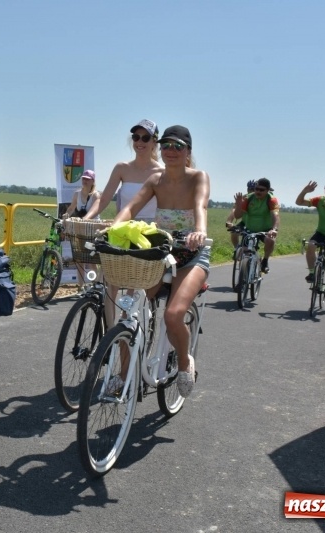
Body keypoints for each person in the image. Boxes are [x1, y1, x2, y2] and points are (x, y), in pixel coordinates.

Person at [111, 125, 210, 399]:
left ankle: (184, 363)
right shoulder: (156, 180)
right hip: (163, 252)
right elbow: (131, 207)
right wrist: (113, 228)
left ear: (188, 151)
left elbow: (200, 206)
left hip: (192, 254)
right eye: (166, 144)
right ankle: (124, 375)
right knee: (129, 313)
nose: (171, 150)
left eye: (178, 146)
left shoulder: (198, 177)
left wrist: (199, 231)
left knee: (174, 314)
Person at [84, 119, 164, 327]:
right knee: (110, 281)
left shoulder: (161, 173)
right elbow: (103, 199)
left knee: (134, 285)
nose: (140, 142)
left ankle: (129, 324)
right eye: (136, 137)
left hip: (146, 233)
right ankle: (110, 336)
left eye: (145, 138)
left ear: (155, 141)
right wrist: (86, 218)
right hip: (122, 228)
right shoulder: (122, 168)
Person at [231, 177, 280, 273]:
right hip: (249, 228)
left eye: (261, 190)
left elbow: (275, 216)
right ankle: (242, 278)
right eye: (256, 189)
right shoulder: (248, 198)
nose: (258, 191)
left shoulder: (271, 200)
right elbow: (237, 216)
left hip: (265, 229)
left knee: (270, 240)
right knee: (243, 249)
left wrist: (274, 229)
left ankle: (265, 261)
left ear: (267, 190)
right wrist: (238, 205)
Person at [63, 169, 101, 291]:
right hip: (80, 229)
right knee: (79, 258)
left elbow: (94, 211)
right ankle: (80, 286)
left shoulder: (95, 195)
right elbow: (71, 208)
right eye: (83, 178)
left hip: (92, 230)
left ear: (92, 181)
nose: (84, 181)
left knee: (91, 259)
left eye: (87, 179)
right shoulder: (77, 194)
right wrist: (66, 214)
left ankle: (96, 283)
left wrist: (85, 219)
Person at [225, 179, 257, 251]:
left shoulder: (261, 199)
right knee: (234, 232)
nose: (251, 191)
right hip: (245, 221)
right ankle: (237, 249)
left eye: (253, 189)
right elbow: (234, 209)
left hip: (257, 223)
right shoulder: (244, 198)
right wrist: (229, 221)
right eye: (249, 189)